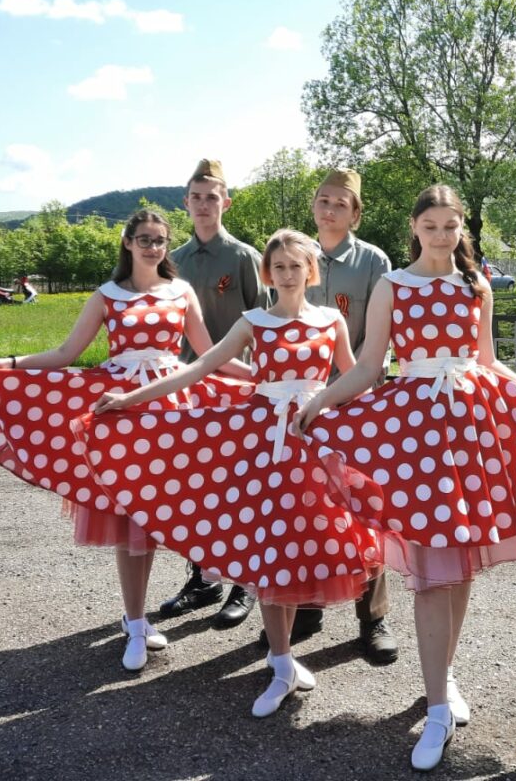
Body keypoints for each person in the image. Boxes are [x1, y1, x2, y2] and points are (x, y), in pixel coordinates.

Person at [296, 185, 516, 771]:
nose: (443, 235)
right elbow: (372, 366)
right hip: (415, 436)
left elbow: (488, 361)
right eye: (431, 225)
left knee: (461, 560)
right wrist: (321, 401)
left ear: (461, 228)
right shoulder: (392, 285)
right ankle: (437, 708)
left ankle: (443, 678)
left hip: (471, 430)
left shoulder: (475, 285)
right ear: (414, 227)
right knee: (431, 567)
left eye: (452, 226)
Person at [92, 229, 382, 717]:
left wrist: (385, 428)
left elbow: (353, 381)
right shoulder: (254, 321)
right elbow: (198, 367)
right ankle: (282, 661)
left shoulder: (331, 320)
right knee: (271, 553)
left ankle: (283, 658)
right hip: (263, 449)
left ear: (311, 271)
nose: (288, 275)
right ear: (268, 273)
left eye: (297, 266)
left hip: (313, 446)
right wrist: (129, 399)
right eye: (280, 267)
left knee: (298, 549)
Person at [0, 210, 252, 673]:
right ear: (127, 242)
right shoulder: (107, 295)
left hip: (169, 411)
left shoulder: (181, 292)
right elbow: (65, 354)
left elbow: (210, 354)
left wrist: (269, 379)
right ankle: (135, 623)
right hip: (120, 412)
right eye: (144, 239)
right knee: (129, 523)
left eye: (159, 240)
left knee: (158, 519)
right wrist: (8, 363)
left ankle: (150, 613)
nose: (152, 247)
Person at [290, 167, 397, 662]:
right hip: (304, 406)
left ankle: (372, 619)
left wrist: (352, 391)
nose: (329, 209)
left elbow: (379, 341)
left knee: (366, 509)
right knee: (308, 507)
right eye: (323, 200)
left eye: (340, 203)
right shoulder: (295, 257)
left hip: (355, 402)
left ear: (355, 213)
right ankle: (308, 606)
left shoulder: (374, 262)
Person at [158, 158, 270, 628]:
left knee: (242, 485)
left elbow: (264, 325)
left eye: (212, 196)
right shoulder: (173, 259)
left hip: (237, 387)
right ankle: (204, 579)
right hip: (189, 389)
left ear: (226, 202)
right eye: (195, 196)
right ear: (185, 203)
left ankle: (245, 582)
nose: (204, 205)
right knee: (197, 486)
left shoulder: (243, 257)